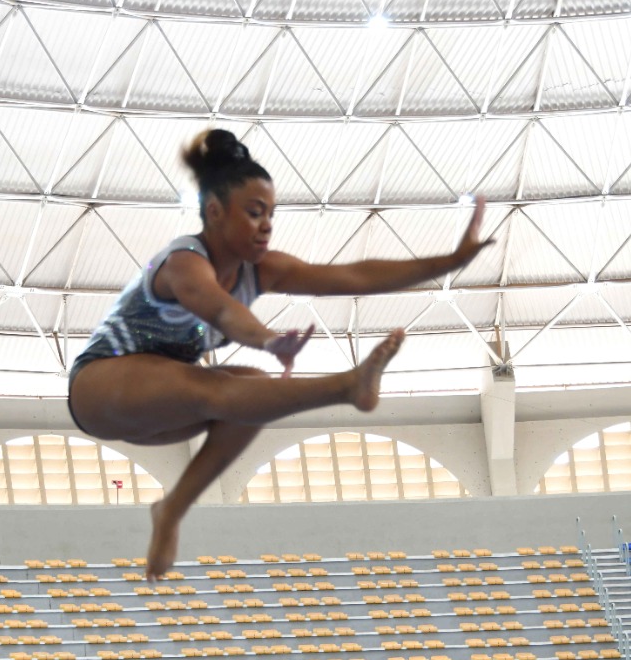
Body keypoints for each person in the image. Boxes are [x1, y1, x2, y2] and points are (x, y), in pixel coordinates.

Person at [68, 128, 490, 580]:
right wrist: (269, 339)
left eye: (271, 213)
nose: (266, 224)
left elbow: (354, 277)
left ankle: (171, 510)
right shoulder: (182, 263)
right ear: (214, 212)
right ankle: (345, 386)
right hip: (98, 389)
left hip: (158, 408)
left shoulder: (261, 269)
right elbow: (223, 311)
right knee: (222, 386)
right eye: (254, 213)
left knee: (254, 387)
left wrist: (446, 263)